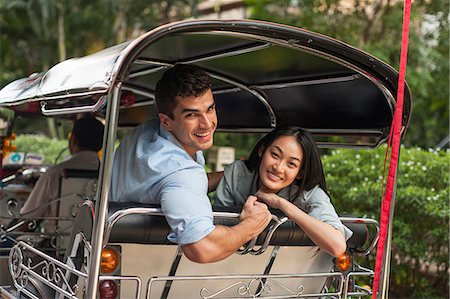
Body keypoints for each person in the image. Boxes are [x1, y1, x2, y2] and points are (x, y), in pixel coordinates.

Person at [110, 64, 271, 263]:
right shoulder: (180, 172)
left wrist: (232, 174)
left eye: (210, 109)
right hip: (143, 265)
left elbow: (172, 184)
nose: (207, 124)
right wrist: (251, 226)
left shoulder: (145, 133)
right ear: (166, 121)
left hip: (108, 245)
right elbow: (202, 248)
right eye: (191, 115)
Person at [214, 125, 352, 257]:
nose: (278, 167)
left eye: (291, 164)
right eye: (275, 155)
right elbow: (217, 229)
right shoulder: (237, 174)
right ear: (262, 150)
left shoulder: (309, 193)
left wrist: (281, 204)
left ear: (300, 173)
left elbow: (337, 246)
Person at [19, 116, 104, 232]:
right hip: (94, 245)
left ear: (73, 140)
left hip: (53, 246)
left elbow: (28, 218)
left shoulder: (55, 173)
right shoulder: (107, 175)